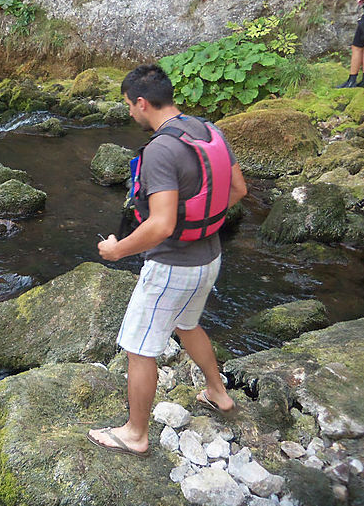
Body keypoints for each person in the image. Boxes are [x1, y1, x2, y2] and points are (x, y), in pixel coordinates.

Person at [87, 64, 247, 458]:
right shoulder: (209, 131)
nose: (128, 113)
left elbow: (160, 224)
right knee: (187, 325)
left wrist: (117, 250)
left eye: (128, 105)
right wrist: (200, 222)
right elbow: (239, 188)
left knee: (139, 347)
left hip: (172, 266)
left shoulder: (160, 149)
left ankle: (135, 434)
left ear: (142, 102)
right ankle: (218, 394)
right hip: (209, 257)